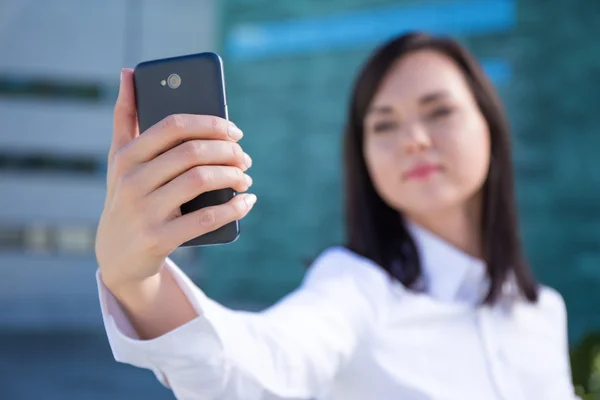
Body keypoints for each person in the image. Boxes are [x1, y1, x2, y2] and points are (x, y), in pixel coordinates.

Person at [95, 32, 579, 399]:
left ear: (490, 127)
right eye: (384, 124)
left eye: (438, 112)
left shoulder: (543, 314)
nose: (413, 139)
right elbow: (261, 365)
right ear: (364, 158)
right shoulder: (355, 290)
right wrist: (136, 281)